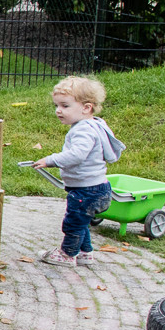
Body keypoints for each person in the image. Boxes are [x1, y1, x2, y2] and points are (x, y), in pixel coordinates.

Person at [34, 75, 124, 267]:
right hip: (98, 188)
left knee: (73, 223)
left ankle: (67, 255)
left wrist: (50, 160)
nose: (58, 111)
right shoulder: (95, 125)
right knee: (82, 222)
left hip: (86, 191)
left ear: (86, 107)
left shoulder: (83, 130)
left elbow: (77, 155)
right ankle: (85, 253)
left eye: (65, 106)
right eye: (57, 106)